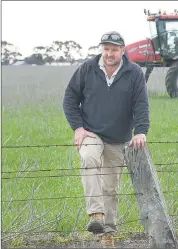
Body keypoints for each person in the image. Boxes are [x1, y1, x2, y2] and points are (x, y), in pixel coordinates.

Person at [62, 31, 150, 247]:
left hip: (118, 138)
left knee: (110, 188)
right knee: (89, 158)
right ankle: (95, 215)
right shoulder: (87, 69)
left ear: (122, 50)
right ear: (102, 49)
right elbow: (70, 99)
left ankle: (108, 234)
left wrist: (140, 131)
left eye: (114, 49)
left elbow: (141, 104)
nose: (109, 54)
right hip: (92, 133)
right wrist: (78, 128)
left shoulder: (134, 72)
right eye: (106, 49)